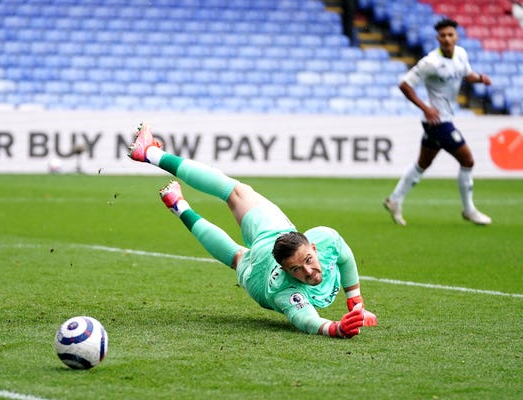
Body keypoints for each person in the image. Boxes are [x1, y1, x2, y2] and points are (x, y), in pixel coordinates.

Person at [128, 123, 377, 339]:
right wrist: (337, 326)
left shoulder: (316, 248)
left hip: (262, 269)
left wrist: (355, 308)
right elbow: (307, 321)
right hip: (265, 261)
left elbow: (343, 256)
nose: (309, 272)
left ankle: (167, 182)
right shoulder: (287, 288)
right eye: (297, 269)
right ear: (284, 269)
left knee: (235, 194)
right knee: (237, 253)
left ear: (313, 246)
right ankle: (171, 192)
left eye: (308, 261)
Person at [383, 18, 492, 226]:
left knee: (422, 163)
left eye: (450, 35)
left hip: (443, 119)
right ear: (438, 38)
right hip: (438, 122)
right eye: (443, 35)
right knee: (468, 161)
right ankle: (469, 209)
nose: (447, 39)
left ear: (456, 36)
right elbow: (404, 85)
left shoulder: (461, 54)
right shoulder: (429, 62)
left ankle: (395, 200)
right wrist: (425, 107)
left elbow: (466, 74)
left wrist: (480, 78)